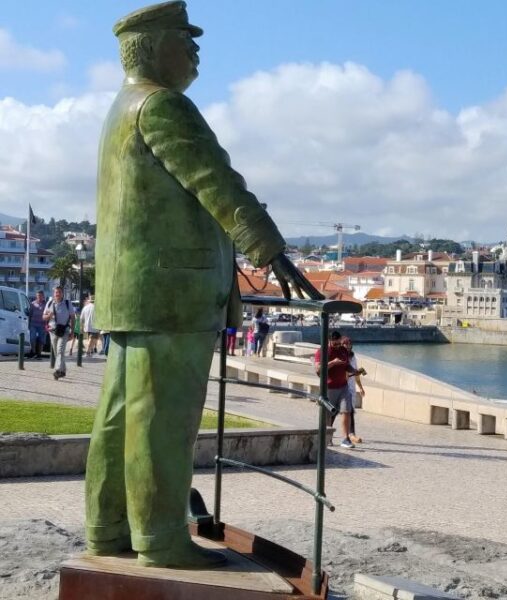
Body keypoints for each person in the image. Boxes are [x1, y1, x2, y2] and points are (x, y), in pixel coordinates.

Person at [85, 1, 321, 570]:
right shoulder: (163, 106)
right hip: (171, 297)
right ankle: (161, 539)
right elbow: (217, 182)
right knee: (162, 421)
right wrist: (272, 251)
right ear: (154, 47)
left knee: (121, 418)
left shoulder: (123, 107)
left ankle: (107, 530)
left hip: (134, 295)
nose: (196, 51)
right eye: (184, 40)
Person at [314, 331, 356, 448]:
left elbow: (346, 365)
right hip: (329, 388)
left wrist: (354, 370)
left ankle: (345, 439)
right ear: (329, 341)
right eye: (335, 344)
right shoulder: (322, 351)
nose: (338, 346)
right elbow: (318, 369)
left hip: (343, 386)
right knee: (328, 415)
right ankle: (328, 438)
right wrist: (332, 363)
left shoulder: (343, 350)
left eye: (339, 343)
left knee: (346, 411)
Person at [42, 286, 74, 380]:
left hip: (64, 330)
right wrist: (49, 315)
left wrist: (72, 331)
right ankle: (63, 370)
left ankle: (58, 371)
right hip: (52, 331)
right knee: (57, 353)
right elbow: (43, 317)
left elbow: (73, 317)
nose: (58, 294)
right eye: (56, 292)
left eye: (59, 292)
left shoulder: (68, 303)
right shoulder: (50, 303)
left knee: (60, 350)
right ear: (54, 293)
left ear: (62, 293)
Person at [342, 337, 366, 445]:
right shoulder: (339, 356)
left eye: (349, 344)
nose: (347, 346)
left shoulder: (353, 357)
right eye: (345, 344)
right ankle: (328, 434)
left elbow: (356, 374)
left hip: (350, 388)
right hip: (339, 387)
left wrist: (360, 387)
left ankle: (351, 434)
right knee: (332, 413)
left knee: (350, 411)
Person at [27, 290, 47, 359]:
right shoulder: (32, 304)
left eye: (41, 296)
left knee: (42, 340)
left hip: (42, 325)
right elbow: (30, 314)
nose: (39, 297)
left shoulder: (46, 304)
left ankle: (39, 354)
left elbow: (48, 315)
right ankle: (33, 351)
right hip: (33, 324)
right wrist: (29, 324)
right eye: (38, 296)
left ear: (43, 296)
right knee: (32, 338)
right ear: (36, 296)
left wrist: (47, 325)